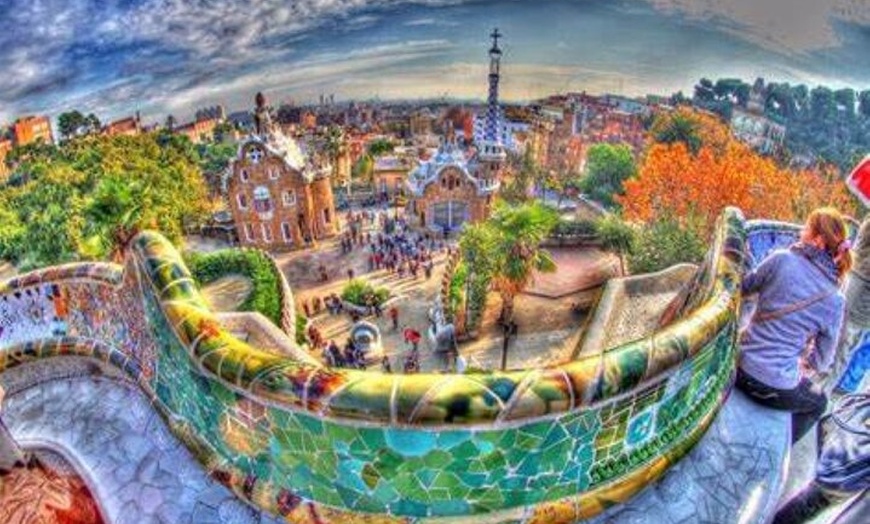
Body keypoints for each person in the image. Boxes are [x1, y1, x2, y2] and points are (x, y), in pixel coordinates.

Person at [738, 207, 851, 443]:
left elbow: (744, 287)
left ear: (818, 240)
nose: (801, 232)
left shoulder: (781, 259)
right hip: (778, 387)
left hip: (739, 368)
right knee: (819, 403)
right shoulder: (835, 299)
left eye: (807, 228)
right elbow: (822, 361)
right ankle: (781, 447)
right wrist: (804, 362)